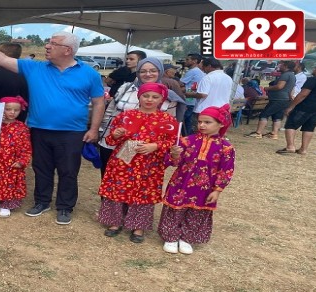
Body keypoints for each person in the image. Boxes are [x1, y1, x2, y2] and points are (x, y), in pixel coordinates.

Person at [0, 26, 105, 225]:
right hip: (39, 129)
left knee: (68, 171)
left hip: (72, 132)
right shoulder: (35, 68)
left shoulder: (89, 74)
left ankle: (64, 207)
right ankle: (42, 202)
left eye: (53, 43)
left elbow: (98, 102)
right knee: (41, 168)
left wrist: (94, 129)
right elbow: (1, 59)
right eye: (49, 42)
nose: (47, 46)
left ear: (68, 50)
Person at [98, 83, 178, 243]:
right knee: (118, 189)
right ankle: (115, 222)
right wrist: (115, 134)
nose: (149, 99)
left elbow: (174, 143)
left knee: (144, 193)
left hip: (150, 163)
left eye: (155, 97)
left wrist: (155, 146)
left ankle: (138, 227)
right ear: (139, 96)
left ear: (162, 99)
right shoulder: (125, 116)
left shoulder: (168, 120)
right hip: (123, 161)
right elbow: (109, 141)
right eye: (145, 95)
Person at [158, 104, 235, 254]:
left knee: (196, 213)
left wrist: (217, 190)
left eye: (207, 122)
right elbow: (173, 162)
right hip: (181, 183)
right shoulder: (187, 141)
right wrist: (174, 155)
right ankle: (171, 236)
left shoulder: (226, 147)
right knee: (174, 209)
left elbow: (226, 171)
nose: (202, 125)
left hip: (205, 188)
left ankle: (187, 238)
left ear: (220, 124)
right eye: (200, 122)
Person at [98, 57, 185, 178]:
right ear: (137, 73)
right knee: (113, 178)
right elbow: (110, 111)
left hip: (147, 151)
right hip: (114, 142)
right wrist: (104, 132)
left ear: (160, 71)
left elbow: (170, 131)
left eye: (153, 70)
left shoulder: (168, 96)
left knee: (140, 183)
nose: (148, 74)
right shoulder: (126, 88)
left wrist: (156, 146)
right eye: (143, 71)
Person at [276, 62, 316, 155]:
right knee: (309, 127)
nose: (313, 70)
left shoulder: (313, 80)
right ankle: (303, 149)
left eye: (315, 68)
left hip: (307, 106)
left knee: (291, 124)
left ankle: (290, 147)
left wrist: (291, 106)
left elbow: (303, 94)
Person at [245, 61, 296, 140]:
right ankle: (274, 133)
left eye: (281, 65)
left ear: (286, 66)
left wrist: (267, 88)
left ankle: (258, 133)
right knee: (277, 117)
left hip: (277, 99)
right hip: (285, 99)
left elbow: (279, 86)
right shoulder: (293, 76)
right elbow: (291, 89)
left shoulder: (285, 75)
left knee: (264, 115)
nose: (280, 66)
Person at [185, 57, 233, 126]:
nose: (203, 70)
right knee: (215, 133)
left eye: (203, 67)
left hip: (205, 111)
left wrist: (189, 94)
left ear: (209, 66)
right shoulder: (228, 78)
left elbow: (202, 94)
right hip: (221, 110)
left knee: (201, 133)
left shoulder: (208, 78)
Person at [180, 53, 206, 135]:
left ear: (194, 61)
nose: (185, 61)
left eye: (188, 59)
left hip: (188, 101)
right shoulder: (200, 72)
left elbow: (181, 83)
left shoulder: (192, 71)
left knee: (182, 123)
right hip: (194, 101)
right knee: (188, 124)